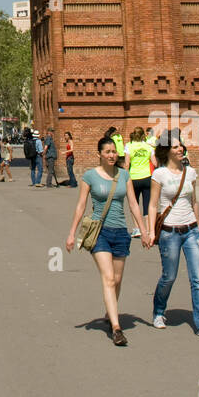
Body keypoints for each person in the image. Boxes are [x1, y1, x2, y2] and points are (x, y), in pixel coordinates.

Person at [65, 135, 149, 346]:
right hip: (99, 232)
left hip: (121, 232)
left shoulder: (124, 175)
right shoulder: (90, 177)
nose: (112, 155)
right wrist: (71, 233)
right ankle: (116, 327)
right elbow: (81, 206)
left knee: (117, 280)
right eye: (107, 152)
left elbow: (133, 204)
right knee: (109, 278)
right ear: (99, 154)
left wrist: (144, 230)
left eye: (114, 152)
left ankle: (109, 312)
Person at [147, 136, 199, 337]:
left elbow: (194, 201)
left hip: (191, 230)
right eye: (175, 146)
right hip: (169, 231)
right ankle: (159, 311)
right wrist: (151, 231)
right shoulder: (159, 174)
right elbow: (152, 204)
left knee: (198, 279)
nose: (180, 149)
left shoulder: (190, 172)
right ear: (167, 151)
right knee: (169, 276)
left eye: (181, 145)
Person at [124, 127, 152, 236]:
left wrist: (125, 177)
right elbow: (154, 161)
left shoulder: (129, 146)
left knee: (133, 203)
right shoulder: (148, 146)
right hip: (146, 177)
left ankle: (137, 228)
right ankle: (149, 229)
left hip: (133, 178)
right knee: (147, 204)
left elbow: (127, 164)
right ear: (143, 135)